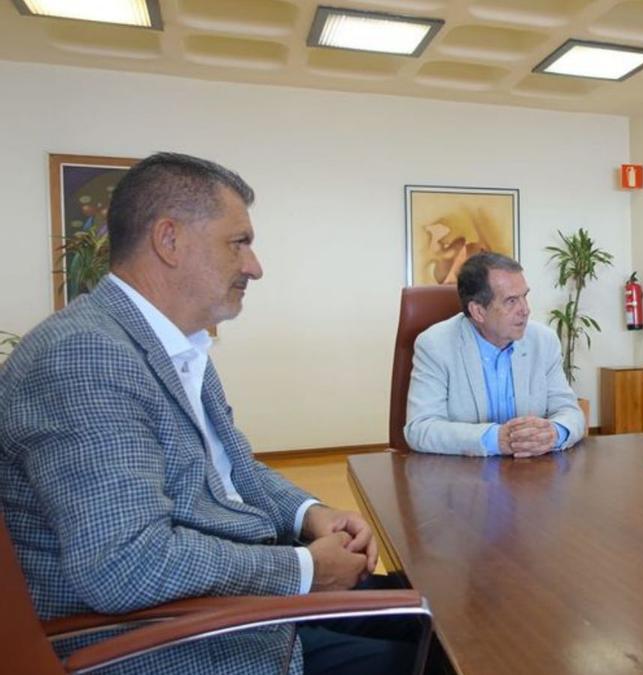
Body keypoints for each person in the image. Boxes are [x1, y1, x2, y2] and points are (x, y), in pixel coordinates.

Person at [0, 152, 418, 673]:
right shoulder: (84, 356)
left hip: (224, 603)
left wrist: (310, 513)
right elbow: (125, 564)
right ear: (169, 239)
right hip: (173, 642)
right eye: (238, 242)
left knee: (427, 614)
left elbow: (235, 470)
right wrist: (303, 569)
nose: (255, 266)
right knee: (424, 655)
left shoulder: (176, 344)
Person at [404, 252, 585, 457]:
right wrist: (495, 439)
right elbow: (419, 429)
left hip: (533, 477)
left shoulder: (543, 341)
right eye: (511, 301)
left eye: (524, 296)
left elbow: (571, 413)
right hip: (465, 479)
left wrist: (554, 432)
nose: (525, 310)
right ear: (478, 312)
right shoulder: (435, 345)